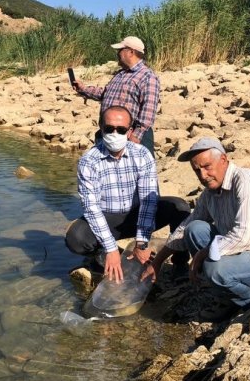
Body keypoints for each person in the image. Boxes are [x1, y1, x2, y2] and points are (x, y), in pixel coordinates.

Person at [140, 137, 250, 317]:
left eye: (207, 167)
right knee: (195, 229)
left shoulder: (247, 181)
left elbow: (242, 235)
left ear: (223, 160)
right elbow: (186, 227)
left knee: (215, 269)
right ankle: (224, 292)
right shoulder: (210, 193)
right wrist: (157, 262)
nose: (203, 176)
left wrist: (202, 254)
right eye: (197, 170)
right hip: (240, 254)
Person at [65, 106, 189, 283]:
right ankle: (102, 257)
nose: (114, 133)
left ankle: (180, 263)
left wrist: (142, 242)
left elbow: (149, 200)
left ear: (130, 131)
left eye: (121, 129)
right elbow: (92, 209)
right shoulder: (89, 161)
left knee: (180, 208)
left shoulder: (142, 154)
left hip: (137, 212)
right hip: (109, 219)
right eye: (109, 128)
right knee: (76, 238)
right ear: (101, 127)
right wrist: (111, 249)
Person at [72, 36, 160, 156]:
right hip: (109, 132)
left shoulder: (147, 76)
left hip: (129, 135)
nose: (117, 53)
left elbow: (148, 110)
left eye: (120, 50)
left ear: (131, 52)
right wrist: (83, 89)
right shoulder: (120, 74)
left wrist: (136, 135)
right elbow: (105, 94)